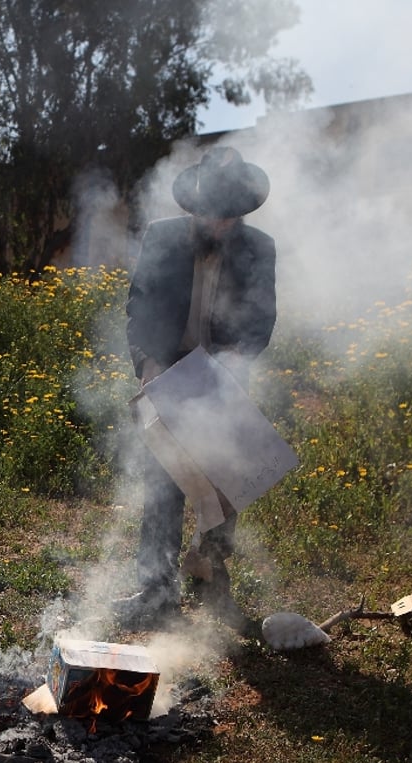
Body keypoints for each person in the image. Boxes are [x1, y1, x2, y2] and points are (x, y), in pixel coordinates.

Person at [116, 146, 277, 631]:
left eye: (228, 216)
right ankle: (156, 588)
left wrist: (229, 366)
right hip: (167, 369)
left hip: (224, 375)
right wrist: (148, 365)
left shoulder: (259, 248)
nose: (219, 224)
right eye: (211, 213)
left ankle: (210, 576)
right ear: (195, 207)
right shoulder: (162, 238)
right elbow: (140, 308)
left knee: (228, 478)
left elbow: (261, 321)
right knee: (162, 480)